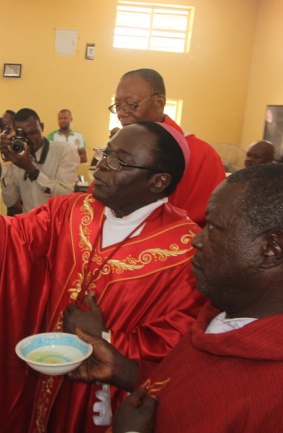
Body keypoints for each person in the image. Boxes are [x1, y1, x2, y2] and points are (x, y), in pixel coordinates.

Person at [0, 121, 206, 432]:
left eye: (117, 161)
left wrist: (105, 339)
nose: (99, 167)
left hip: (111, 400)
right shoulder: (72, 210)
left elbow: (180, 343)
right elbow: (9, 239)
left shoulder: (187, 250)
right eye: (104, 154)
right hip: (47, 375)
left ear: (159, 182)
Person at [72, 163, 283, 433]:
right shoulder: (221, 316)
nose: (197, 240)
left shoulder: (272, 391)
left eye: (213, 227)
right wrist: (122, 370)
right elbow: (185, 387)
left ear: (271, 248)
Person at [111, 68, 225, 227]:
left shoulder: (202, 155)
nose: (122, 113)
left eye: (131, 105)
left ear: (159, 103)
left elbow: (211, 223)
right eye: (117, 105)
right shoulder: (115, 150)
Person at [0, 108, 80, 213]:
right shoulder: (17, 156)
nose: (30, 139)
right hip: (29, 226)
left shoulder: (64, 151)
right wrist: (7, 160)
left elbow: (66, 196)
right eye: (23, 135)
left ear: (41, 127)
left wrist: (31, 170)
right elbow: (10, 201)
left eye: (33, 133)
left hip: (56, 225)